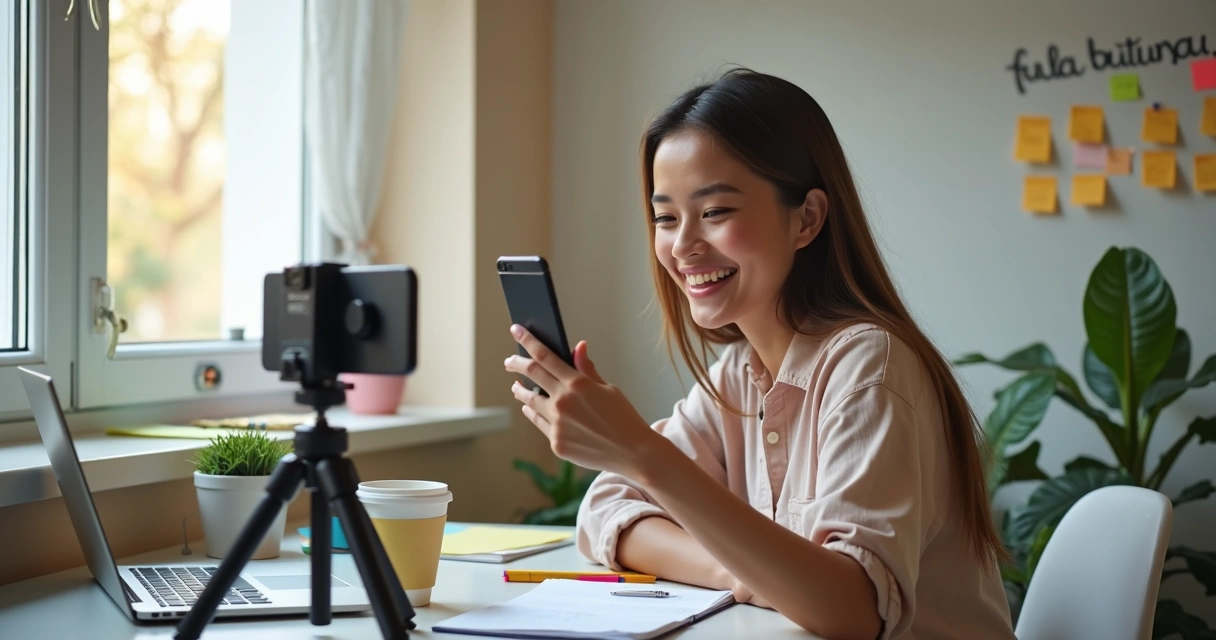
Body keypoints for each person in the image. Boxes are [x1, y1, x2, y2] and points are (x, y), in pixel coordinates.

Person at [503, 68, 1015, 640]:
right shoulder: (738, 377)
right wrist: (745, 573)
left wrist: (644, 454)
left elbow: (854, 613)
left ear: (807, 218)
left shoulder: (870, 366)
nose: (682, 245)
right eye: (665, 217)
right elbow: (605, 510)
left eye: (715, 212)